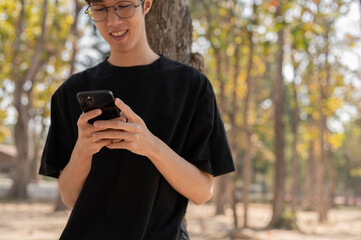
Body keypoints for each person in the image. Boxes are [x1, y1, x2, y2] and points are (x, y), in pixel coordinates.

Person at [39, 0, 235, 239]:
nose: (113, 21)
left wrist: (151, 146)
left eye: (123, 5)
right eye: (100, 9)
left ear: (147, 4)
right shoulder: (71, 92)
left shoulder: (192, 86)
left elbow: (203, 192)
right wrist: (83, 149)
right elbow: (69, 196)